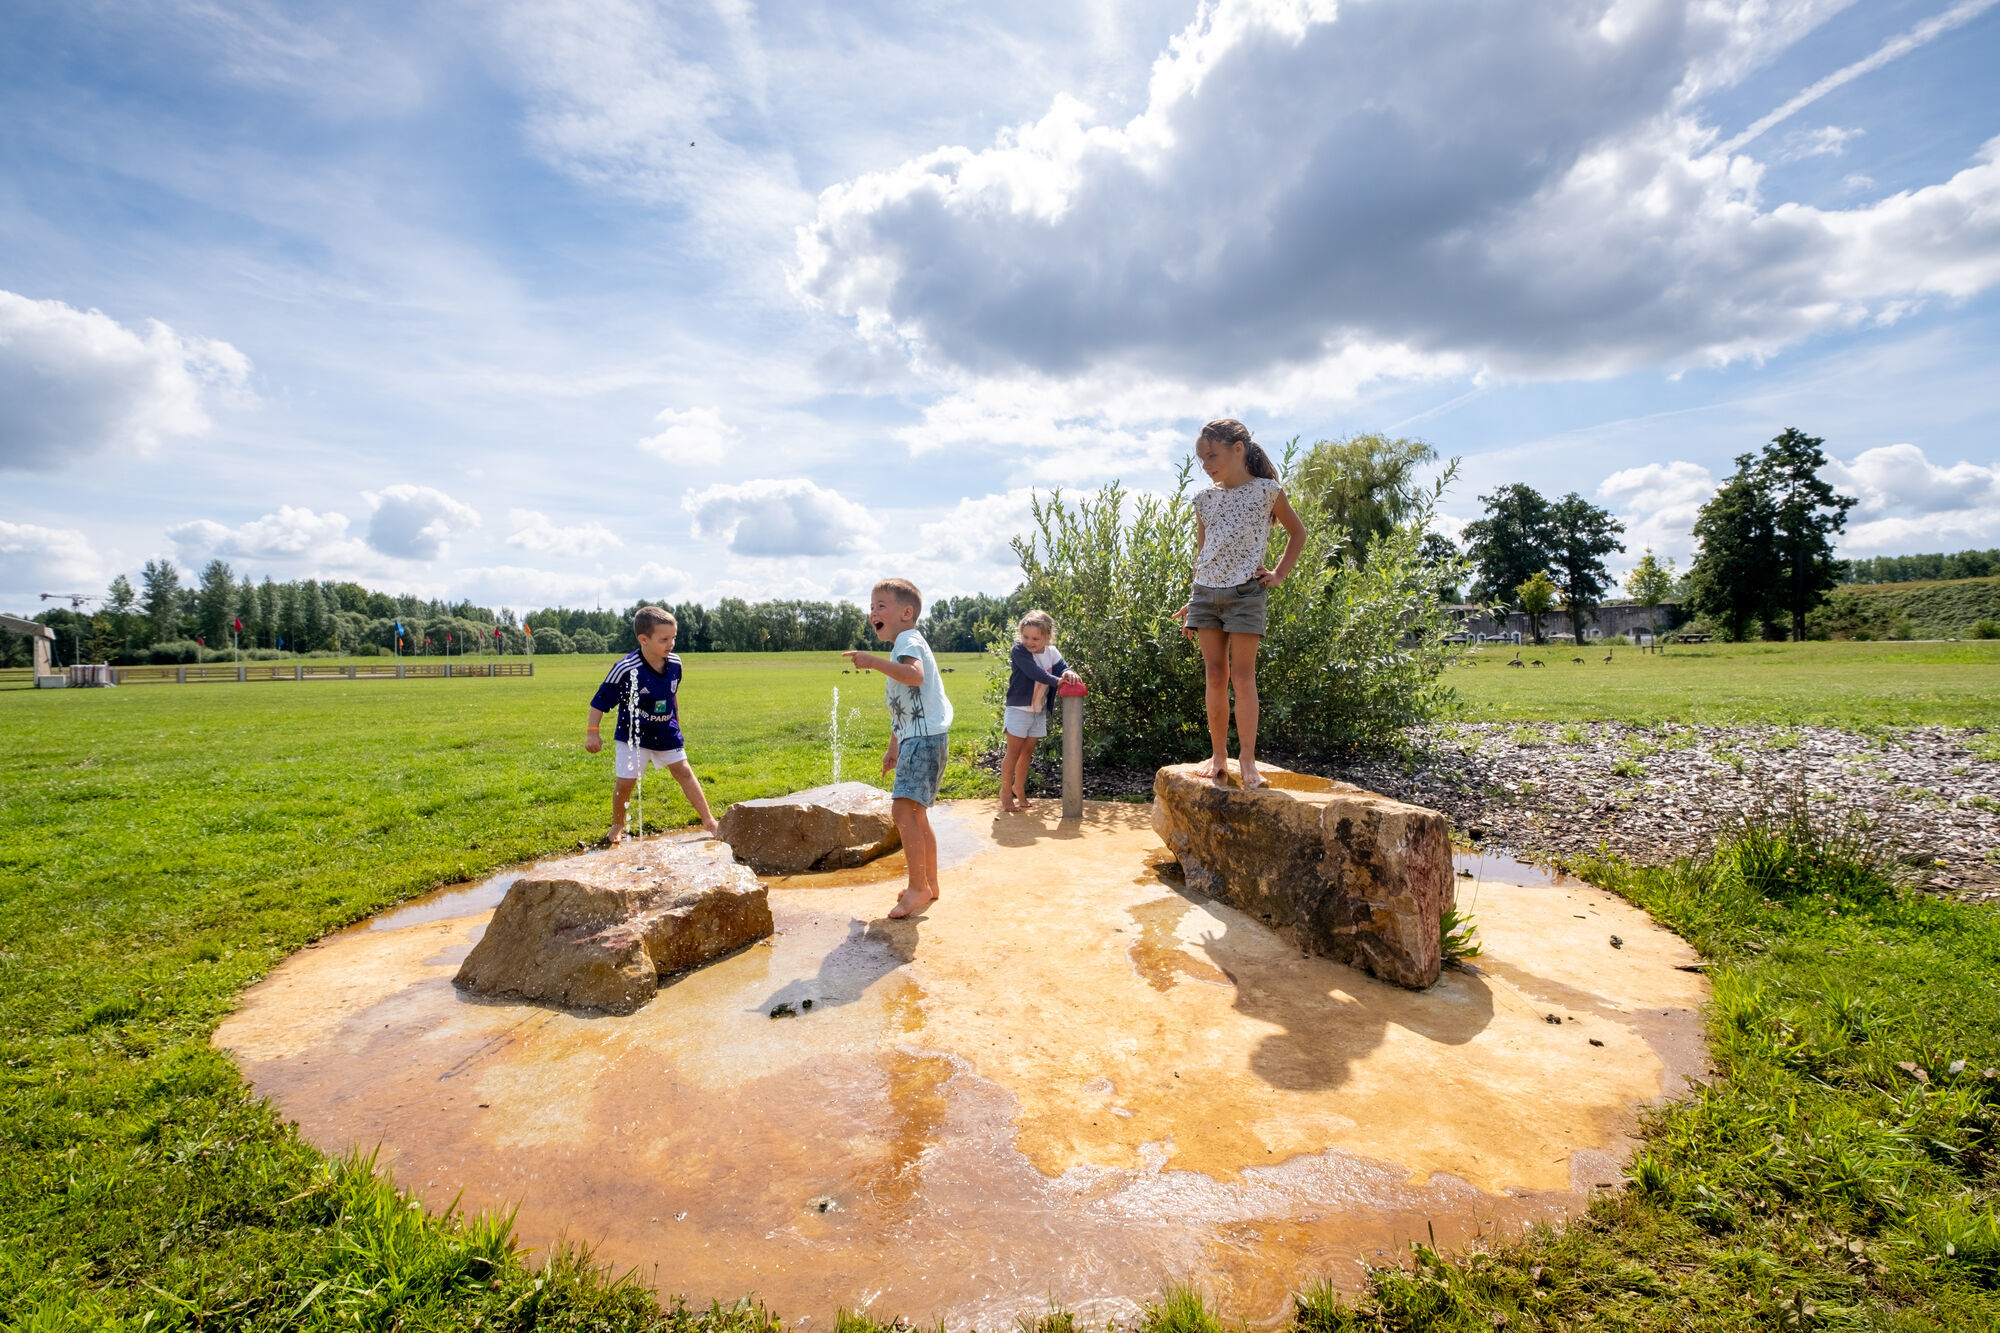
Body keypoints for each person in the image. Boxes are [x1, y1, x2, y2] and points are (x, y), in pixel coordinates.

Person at [1171, 418, 1307, 789]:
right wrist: (1192, 600)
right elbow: (1203, 554)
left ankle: (1247, 761)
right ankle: (1218, 756)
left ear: (1238, 449)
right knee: (1215, 676)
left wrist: (1278, 574)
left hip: (1246, 594)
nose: (1206, 464)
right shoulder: (1204, 499)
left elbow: (1299, 532)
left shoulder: (1267, 491)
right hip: (1205, 595)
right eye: (1201, 459)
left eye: (1212, 455)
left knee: (1243, 677)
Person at [842, 578, 952, 919]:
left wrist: (873, 662)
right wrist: (894, 746)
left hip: (923, 740)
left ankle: (918, 887)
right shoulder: (906, 641)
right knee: (917, 814)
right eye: (872, 606)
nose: (873, 612)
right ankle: (928, 884)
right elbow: (906, 705)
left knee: (904, 813)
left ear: (906, 613)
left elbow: (914, 677)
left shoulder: (908, 640)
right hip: (920, 739)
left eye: (881, 605)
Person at [584, 606, 719, 842]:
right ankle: (617, 826)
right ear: (643, 639)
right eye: (664, 639)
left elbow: (671, 693)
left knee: (685, 772)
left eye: (673, 638)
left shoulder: (675, 663)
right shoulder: (626, 668)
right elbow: (599, 702)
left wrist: (675, 719)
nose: (671, 644)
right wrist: (592, 733)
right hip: (632, 737)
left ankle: (709, 821)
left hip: (666, 732)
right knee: (626, 782)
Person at [999, 609, 1082, 813]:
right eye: (1026, 636)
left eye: (1035, 638)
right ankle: (1005, 793)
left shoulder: (1051, 653)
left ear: (1046, 637)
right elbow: (1033, 672)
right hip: (1018, 709)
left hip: (1038, 711)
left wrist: (1069, 673)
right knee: (1013, 752)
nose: (1030, 641)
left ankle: (1018, 787)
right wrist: (1057, 680)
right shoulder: (1019, 651)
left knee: (1027, 752)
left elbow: (1063, 667)